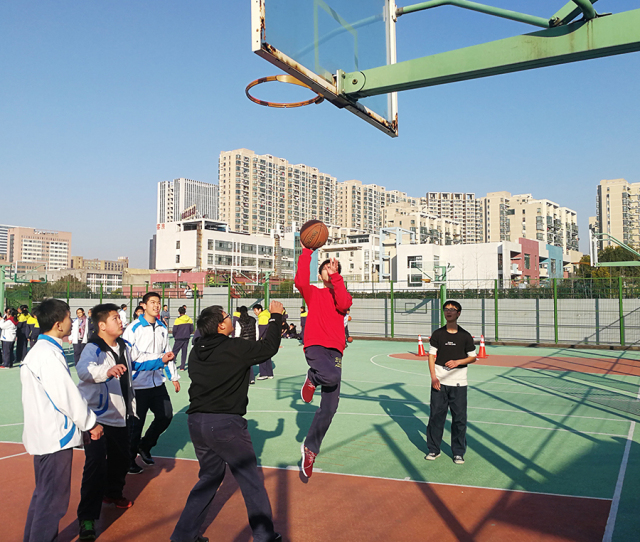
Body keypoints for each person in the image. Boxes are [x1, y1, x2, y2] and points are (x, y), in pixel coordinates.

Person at [170, 302, 284, 542]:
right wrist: (275, 317)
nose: (231, 318)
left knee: (209, 478)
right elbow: (268, 348)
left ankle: (183, 535)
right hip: (224, 423)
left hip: (197, 422)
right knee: (251, 480)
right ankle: (264, 536)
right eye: (227, 316)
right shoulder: (233, 347)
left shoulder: (196, 349)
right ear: (222, 325)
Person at [75, 303, 171, 540]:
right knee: (95, 467)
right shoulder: (93, 348)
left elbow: (138, 363)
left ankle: (113, 493)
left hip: (120, 415)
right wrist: (105, 372)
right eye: (115, 318)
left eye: (120, 317)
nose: (121, 321)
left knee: (120, 460)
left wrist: (161, 360)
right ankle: (87, 518)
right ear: (102, 325)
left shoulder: (124, 346)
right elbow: (83, 371)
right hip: (96, 418)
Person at [21, 299, 103, 542]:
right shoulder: (48, 355)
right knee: (52, 503)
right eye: (69, 317)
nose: (72, 321)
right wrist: (90, 424)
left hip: (45, 436)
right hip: (55, 437)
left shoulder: (40, 351)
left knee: (43, 498)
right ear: (58, 324)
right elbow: (66, 395)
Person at [295, 251, 352, 478]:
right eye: (326, 268)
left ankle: (310, 448)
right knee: (332, 377)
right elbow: (299, 280)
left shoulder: (341, 296)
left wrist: (336, 278)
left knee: (330, 407)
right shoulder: (313, 293)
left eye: (333, 268)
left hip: (335, 351)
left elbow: (345, 303)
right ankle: (312, 377)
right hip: (316, 346)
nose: (330, 270)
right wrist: (307, 251)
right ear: (319, 275)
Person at [123, 291, 179, 474]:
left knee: (166, 415)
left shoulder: (162, 327)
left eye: (158, 303)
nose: (156, 306)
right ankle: (129, 460)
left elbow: (168, 353)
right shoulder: (133, 329)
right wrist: (159, 360)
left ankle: (145, 446)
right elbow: (132, 360)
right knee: (135, 425)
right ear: (144, 305)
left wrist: (174, 377)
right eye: (152, 302)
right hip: (138, 386)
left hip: (157, 383)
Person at [425, 300, 477, 465]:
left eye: (452, 310)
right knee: (436, 417)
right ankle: (434, 449)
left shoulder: (465, 336)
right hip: (439, 383)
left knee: (459, 419)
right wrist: (434, 377)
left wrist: (458, 362)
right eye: (446, 309)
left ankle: (458, 452)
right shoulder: (438, 334)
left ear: (458, 313)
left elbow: (473, 357)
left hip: (459, 384)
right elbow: (431, 356)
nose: (449, 312)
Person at [234, 305, 258, 384]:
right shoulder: (253, 320)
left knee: (242, 362)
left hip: (243, 343)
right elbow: (257, 332)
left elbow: (237, 334)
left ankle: (244, 378)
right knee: (250, 361)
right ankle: (251, 378)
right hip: (252, 343)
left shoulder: (239, 321)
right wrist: (256, 341)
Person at [252, 304, 274, 380]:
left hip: (263, 340)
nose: (255, 312)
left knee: (261, 356)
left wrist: (257, 339)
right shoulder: (267, 315)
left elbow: (261, 330)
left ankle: (263, 374)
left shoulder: (262, 317)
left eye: (255, 310)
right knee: (268, 356)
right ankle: (270, 373)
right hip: (269, 339)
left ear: (260, 309)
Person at [172, 306, 194, 371]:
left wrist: (175, 336)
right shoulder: (189, 319)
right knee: (184, 352)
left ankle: (172, 366)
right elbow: (192, 329)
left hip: (178, 338)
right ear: (185, 312)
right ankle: (182, 367)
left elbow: (174, 330)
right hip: (186, 338)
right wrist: (188, 334)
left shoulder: (177, 320)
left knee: (174, 352)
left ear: (179, 312)